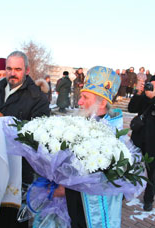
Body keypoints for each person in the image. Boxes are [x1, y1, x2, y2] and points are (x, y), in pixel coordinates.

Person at [0, 51, 50, 228]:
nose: (12, 73)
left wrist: (7, 125)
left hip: (20, 171)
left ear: (27, 70)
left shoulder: (37, 97)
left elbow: (40, 134)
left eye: (17, 69)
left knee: (17, 219)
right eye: (9, 68)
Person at [54, 66, 122, 228]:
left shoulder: (115, 133)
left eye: (85, 97)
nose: (79, 101)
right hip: (74, 199)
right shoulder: (82, 123)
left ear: (102, 102)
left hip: (96, 207)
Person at [128, 75, 155, 211]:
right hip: (138, 139)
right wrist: (139, 92)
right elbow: (131, 108)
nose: (153, 87)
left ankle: (148, 200)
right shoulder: (143, 98)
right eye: (151, 84)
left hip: (154, 142)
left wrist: (153, 98)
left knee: (152, 174)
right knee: (130, 167)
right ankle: (126, 192)